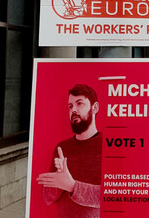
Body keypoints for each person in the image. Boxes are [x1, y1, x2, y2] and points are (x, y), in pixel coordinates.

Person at [38, 84, 102, 218]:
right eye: (70, 106)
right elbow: (47, 198)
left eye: (79, 103)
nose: (73, 110)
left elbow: (111, 195)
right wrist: (58, 180)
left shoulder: (107, 145)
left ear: (95, 108)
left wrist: (72, 186)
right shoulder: (62, 148)